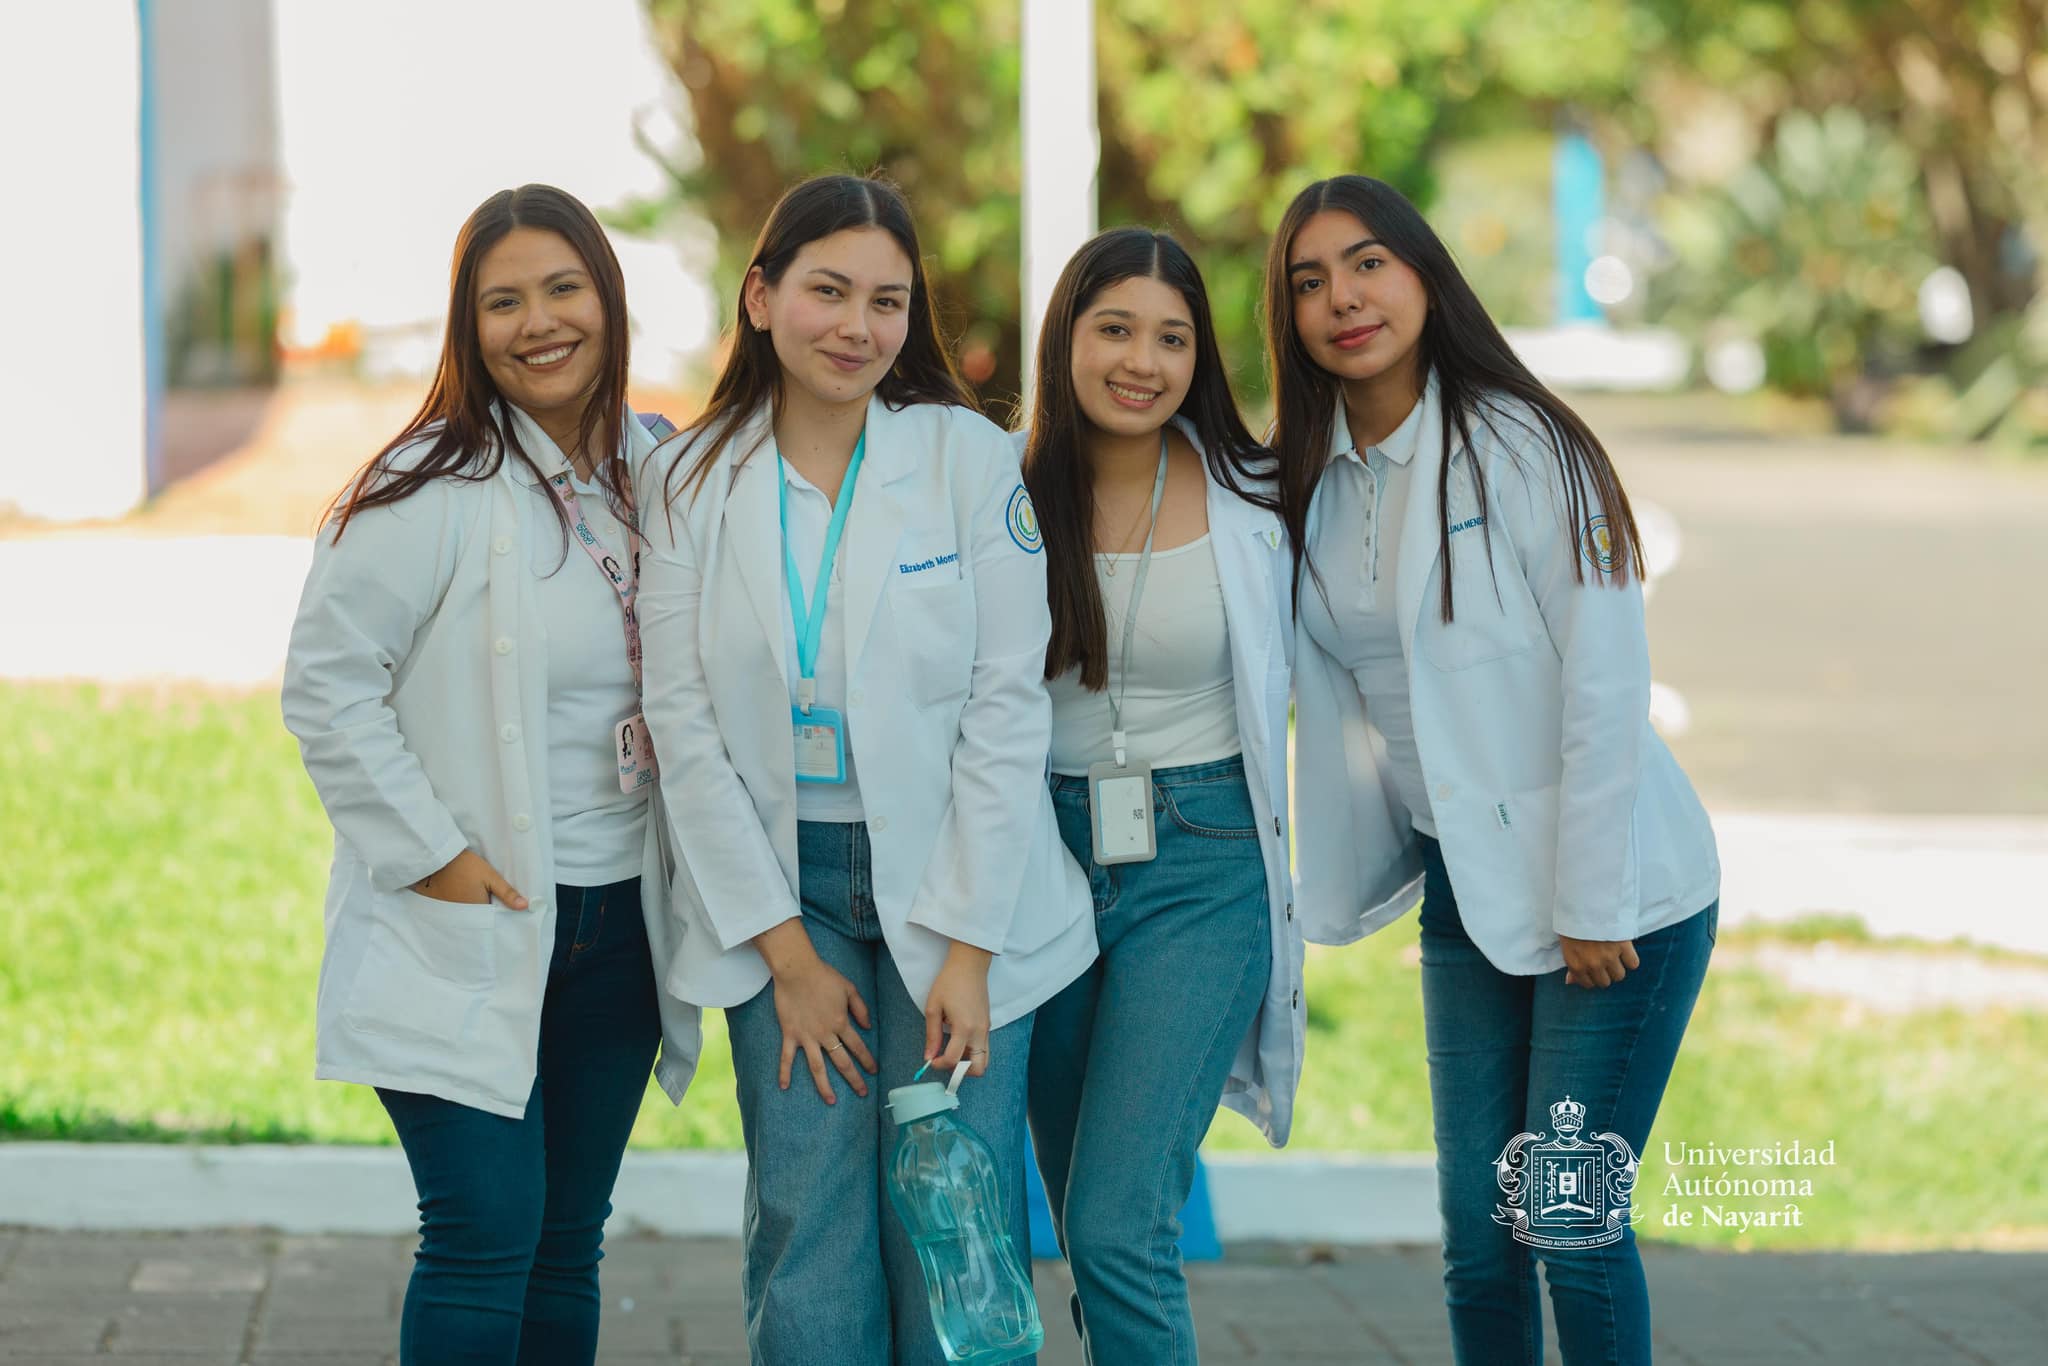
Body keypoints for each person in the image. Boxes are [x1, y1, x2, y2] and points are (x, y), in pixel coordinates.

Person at [635, 173, 1095, 1365]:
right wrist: (783, 954)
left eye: (886, 301)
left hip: (957, 884)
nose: (856, 327)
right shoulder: (688, 478)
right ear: (759, 295)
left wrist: (969, 949)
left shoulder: (963, 459)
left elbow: (1007, 709)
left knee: (954, 1222)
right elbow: (681, 727)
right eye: (827, 290)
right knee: (806, 1217)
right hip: (779, 894)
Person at [1268, 174, 1720, 1366]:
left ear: (1422, 273)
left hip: (1614, 900)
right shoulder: (1309, 481)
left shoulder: (1522, 446)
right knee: (1480, 1239)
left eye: (1365, 263)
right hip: (1465, 893)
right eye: (1307, 281)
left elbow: (1604, 687)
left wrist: (1588, 904)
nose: (1340, 298)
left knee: (1564, 1224)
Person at [282, 184, 700, 1366]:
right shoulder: (422, 488)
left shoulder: (656, 470)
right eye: (502, 300)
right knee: (482, 1232)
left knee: (568, 1240)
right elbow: (326, 686)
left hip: (621, 920)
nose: (538, 322)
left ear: (608, 303)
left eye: (563, 289)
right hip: (476, 918)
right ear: (468, 329)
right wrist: (437, 859)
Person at [1013, 227, 1298, 1365]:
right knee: (1085, 1218)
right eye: (1114, 329)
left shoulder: (1256, 494)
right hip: (1038, 861)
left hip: (1200, 860)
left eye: (1171, 337)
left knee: (1116, 1220)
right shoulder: (998, 490)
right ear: (1066, 340)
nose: (1142, 360)